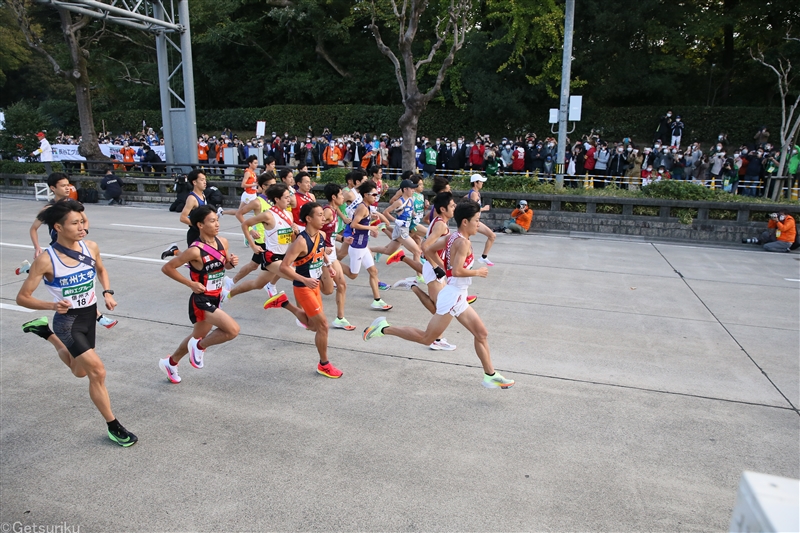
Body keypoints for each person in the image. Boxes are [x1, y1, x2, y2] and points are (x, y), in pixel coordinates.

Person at [17, 200, 137, 446]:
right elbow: (22, 297)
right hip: (68, 322)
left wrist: (107, 292)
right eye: (75, 223)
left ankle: (45, 333)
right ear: (58, 227)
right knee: (97, 371)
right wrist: (51, 305)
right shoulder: (46, 260)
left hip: (89, 317)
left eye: (83, 221)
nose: (82, 227)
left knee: (79, 371)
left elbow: (101, 270)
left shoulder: (90, 247)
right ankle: (113, 426)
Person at [363, 200, 515, 389]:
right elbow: (458, 271)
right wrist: (477, 272)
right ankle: (384, 328)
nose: (478, 224)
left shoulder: (452, 237)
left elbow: (428, 249)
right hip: (452, 297)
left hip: (457, 295)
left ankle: (490, 375)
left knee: (481, 333)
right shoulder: (462, 242)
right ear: (465, 222)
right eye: (476, 220)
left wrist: (443, 267)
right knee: (427, 338)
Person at [160, 205, 240, 383]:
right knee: (232, 330)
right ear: (200, 225)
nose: (217, 224)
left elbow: (223, 266)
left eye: (217, 220)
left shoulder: (223, 242)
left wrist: (231, 263)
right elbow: (167, 268)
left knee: (196, 336)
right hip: (201, 300)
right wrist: (190, 283)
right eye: (212, 221)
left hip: (215, 296)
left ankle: (171, 363)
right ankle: (199, 347)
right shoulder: (194, 250)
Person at [28, 172, 118, 329]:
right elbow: (33, 229)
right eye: (63, 186)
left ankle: (97, 315)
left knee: (82, 283)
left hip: (77, 250)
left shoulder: (73, 205)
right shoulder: (49, 210)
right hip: (60, 251)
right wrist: (37, 248)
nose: (68, 188)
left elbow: (86, 219)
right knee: (67, 287)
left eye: (68, 184)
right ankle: (98, 316)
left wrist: (84, 231)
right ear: (52, 188)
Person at [273, 202, 343, 378]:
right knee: (323, 326)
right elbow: (284, 267)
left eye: (323, 214)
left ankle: (284, 303)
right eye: (319, 215)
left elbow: (321, 251)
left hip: (314, 286)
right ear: (308, 219)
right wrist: (304, 279)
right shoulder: (300, 241)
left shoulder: (320, 234)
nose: (324, 218)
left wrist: (328, 264)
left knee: (313, 326)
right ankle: (324, 364)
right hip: (303, 287)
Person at [224, 183, 297, 303]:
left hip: (283, 255)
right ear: (277, 199)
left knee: (257, 284)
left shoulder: (289, 215)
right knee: (300, 279)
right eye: (286, 197)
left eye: (289, 196)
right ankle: (302, 316)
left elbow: (291, 239)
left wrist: (294, 231)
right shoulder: (268, 215)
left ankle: (227, 295)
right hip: (271, 257)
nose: (289, 200)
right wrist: (253, 245)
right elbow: (245, 224)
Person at [338, 180, 392, 310]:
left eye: (376, 194)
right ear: (366, 195)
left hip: (363, 245)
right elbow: (353, 224)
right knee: (352, 275)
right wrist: (371, 228)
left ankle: (377, 300)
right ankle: (331, 263)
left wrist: (371, 226)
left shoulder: (367, 207)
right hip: (357, 246)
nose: (375, 197)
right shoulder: (362, 207)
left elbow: (361, 224)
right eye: (373, 194)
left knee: (373, 271)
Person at [321, 183, 356, 331]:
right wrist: (322, 249)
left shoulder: (335, 211)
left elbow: (331, 234)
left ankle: (340, 318)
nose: (343, 197)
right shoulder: (327, 212)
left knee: (342, 285)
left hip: (332, 254)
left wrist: (343, 240)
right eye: (341, 195)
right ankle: (304, 282)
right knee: (328, 290)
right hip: (322, 255)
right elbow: (314, 231)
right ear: (334, 197)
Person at [160, 169, 207, 260]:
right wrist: (198, 226)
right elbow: (183, 217)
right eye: (202, 180)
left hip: (203, 232)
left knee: (200, 260)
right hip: (195, 233)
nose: (205, 182)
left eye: (205, 180)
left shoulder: (203, 195)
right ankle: (175, 251)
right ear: (194, 182)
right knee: (195, 261)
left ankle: (175, 251)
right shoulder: (192, 198)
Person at [467, 174, 496, 265]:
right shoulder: (474, 194)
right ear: (476, 183)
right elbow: (472, 208)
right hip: (472, 221)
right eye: (481, 181)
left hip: (474, 221)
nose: (482, 183)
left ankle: (483, 257)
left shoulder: (474, 193)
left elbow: (465, 200)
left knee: (491, 236)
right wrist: (484, 209)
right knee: (491, 236)